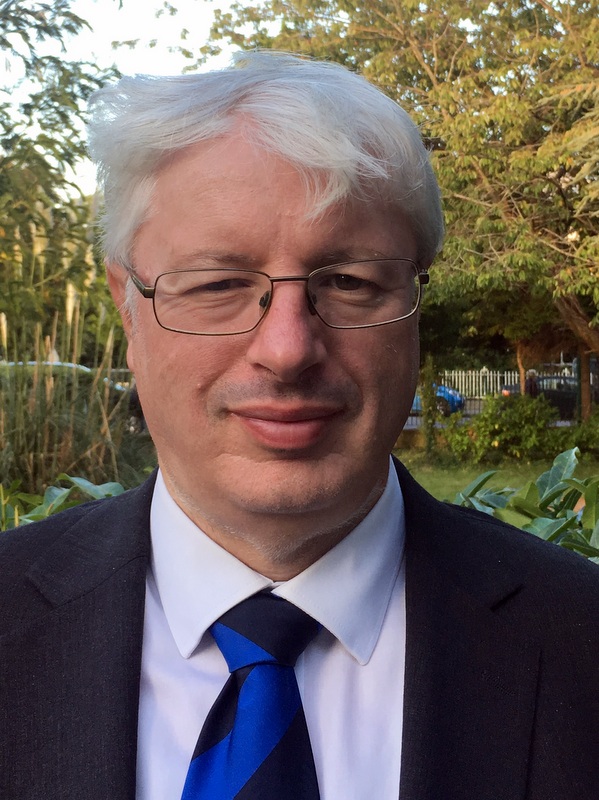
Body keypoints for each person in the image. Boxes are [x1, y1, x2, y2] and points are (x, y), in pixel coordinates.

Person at [1, 51, 598, 800]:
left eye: (349, 282)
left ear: (414, 302)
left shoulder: (579, 640)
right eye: (218, 283)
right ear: (128, 306)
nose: (287, 349)